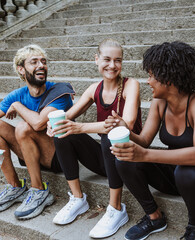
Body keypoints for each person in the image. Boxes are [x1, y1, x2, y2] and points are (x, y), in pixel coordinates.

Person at [109, 41, 195, 240]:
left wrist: (145, 155)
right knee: (124, 159)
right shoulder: (159, 103)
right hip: (175, 174)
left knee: (186, 170)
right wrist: (124, 129)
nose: (148, 81)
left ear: (168, 78)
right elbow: (144, 140)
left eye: (151, 75)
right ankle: (154, 217)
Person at [47, 38, 142, 238]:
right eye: (107, 59)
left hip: (129, 157)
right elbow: (69, 116)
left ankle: (116, 208)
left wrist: (80, 127)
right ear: (96, 59)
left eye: (118, 60)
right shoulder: (94, 89)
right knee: (62, 132)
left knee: (110, 136)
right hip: (106, 160)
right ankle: (77, 198)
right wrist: (54, 123)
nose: (112, 65)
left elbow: (127, 124)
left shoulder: (130, 85)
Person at [0, 44, 74, 220]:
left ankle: (39, 190)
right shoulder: (18, 94)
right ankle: (15, 187)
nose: (41, 65)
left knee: (24, 126)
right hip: (31, 152)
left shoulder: (59, 92)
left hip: (59, 156)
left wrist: (17, 106)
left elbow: (38, 124)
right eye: (34, 62)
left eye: (43, 61)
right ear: (21, 69)